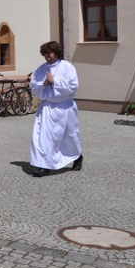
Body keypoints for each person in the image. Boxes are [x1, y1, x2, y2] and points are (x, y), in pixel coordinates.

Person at [29, 41, 82, 177]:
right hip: (47, 107)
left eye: (50, 53)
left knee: (70, 136)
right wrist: (44, 83)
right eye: (45, 53)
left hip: (65, 107)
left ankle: (77, 157)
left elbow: (73, 86)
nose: (47, 56)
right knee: (44, 137)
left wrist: (55, 81)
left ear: (56, 52)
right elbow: (34, 85)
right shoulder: (41, 69)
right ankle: (44, 165)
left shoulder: (67, 67)